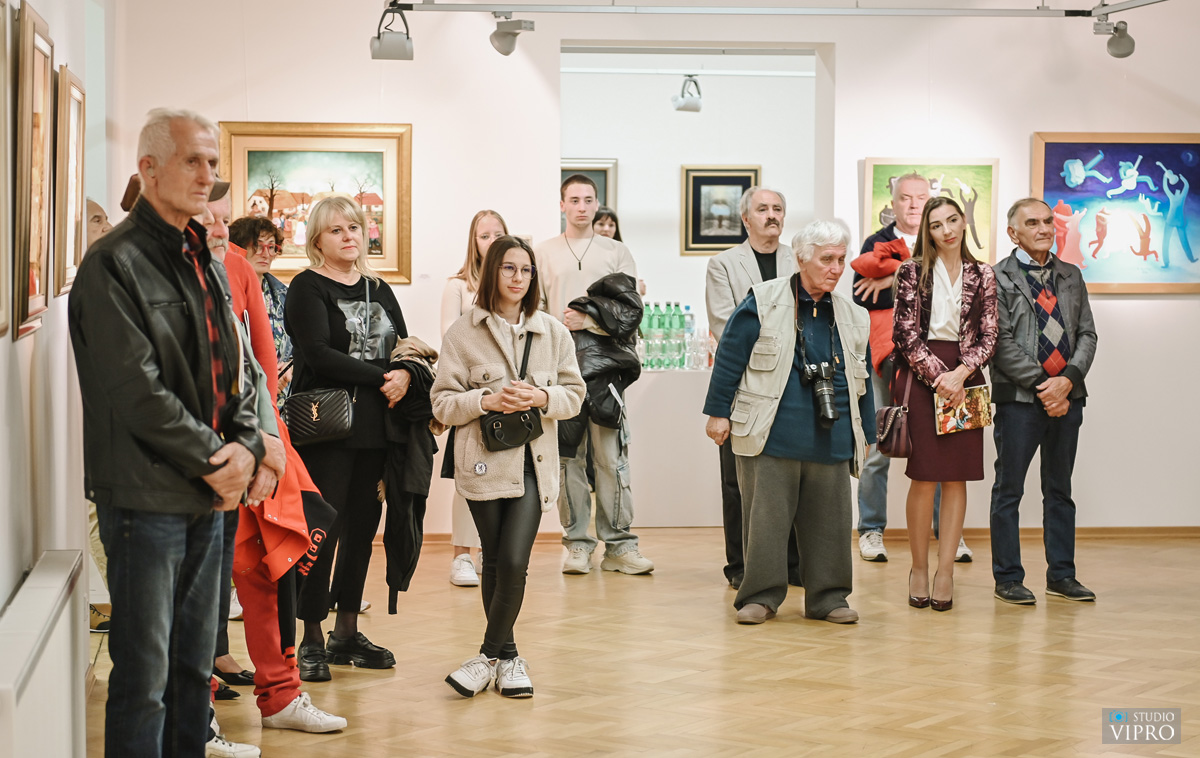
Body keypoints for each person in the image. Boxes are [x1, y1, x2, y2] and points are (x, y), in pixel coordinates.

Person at [68, 108, 265, 757]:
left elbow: (232, 366)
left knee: (191, 672)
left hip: (210, 495)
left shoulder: (200, 255)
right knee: (144, 679)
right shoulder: (112, 263)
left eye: (213, 162)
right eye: (193, 161)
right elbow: (136, 390)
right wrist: (220, 459)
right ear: (149, 169)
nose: (208, 175)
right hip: (145, 498)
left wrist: (247, 446)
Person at [198, 185, 347, 735]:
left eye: (223, 219)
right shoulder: (158, 270)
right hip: (195, 451)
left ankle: (281, 693)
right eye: (208, 219)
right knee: (201, 579)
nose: (220, 230)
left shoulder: (237, 268)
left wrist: (267, 442)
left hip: (253, 438)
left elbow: (259, 361)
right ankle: (198, 705)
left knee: (269, 564)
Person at [432, 235, 585, 698]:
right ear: (492, 272)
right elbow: (441, 404)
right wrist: (486, 400)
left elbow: (575, 396)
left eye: (526, 270)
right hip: (482, 463)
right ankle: (509, 658)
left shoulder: (553, 332)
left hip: (534, 464)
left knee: (515, 561)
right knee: (495, 560)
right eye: (509, 268)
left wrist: (540, 396)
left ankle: (485, 658)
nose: (519, 278)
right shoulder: (463, 333)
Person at [703, 220, 874, 626]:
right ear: (801, 258)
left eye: (841, 260)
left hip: (831, 434)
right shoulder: (763, 300)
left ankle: (828, 598)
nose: (836, 268)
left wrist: (866, 432)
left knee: (831, 524)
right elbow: (730, 356)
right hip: (773, 432)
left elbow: (862, 378)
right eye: (827, 259)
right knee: (766, 522)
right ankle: (759, 596)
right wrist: (718, 412)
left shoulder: (853, 314)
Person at [285, 195, 409, 680]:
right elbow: (317, 354)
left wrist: (405, 373)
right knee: (323, 532)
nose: (349, 236)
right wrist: (383, 376)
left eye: (354, 227)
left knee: (362, 532)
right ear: (318, 240)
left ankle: (346, 631)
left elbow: (403, 345)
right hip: (327, 429)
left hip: (377, 428)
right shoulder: (307, 286)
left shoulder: (378, 288)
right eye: (336, 230)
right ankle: (311, 636)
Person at [536, 174, 653, 575]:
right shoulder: (543, 252)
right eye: (574, 200)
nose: (582, 207)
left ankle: (620, 545)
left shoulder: (617, 251)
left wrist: (588, 321)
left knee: (610, 458)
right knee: (568, 458)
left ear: (597, 203)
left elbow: (631, 311)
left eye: (588, 199)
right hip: (558, 369)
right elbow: (535, 310)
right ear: (562, 205)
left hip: (607, 370)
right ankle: (577, 544)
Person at [852, 173, 968, 563]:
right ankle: (871, 529)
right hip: (888, 359)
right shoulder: (877, 243)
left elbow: (948, 296)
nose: (914, 204)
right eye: (906, 197)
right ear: (894, 203)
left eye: (921, 197)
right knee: (881, 443)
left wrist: (890, 278)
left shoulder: (945, 241)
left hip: (943, 363)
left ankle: (948, 533)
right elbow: (861, 297)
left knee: (940, 446)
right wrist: (903, 278)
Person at [990, 198, 1099, 605]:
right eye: (1032, 223)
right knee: (1009, 490)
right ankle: (1008, 579)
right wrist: (1045, 386)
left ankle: (1062, 576)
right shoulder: (996, 277)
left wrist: (1067, 382)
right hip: (1020, 400)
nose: (1043, 228)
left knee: (1060, 490)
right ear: (1013, 233)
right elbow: (999, 342)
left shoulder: (1071, 275)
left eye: (1048, 221)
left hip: (1069, 398)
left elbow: (1087, 334)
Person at [891, 197, 998, 612]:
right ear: (928, 231)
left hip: (967, 378)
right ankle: (918, 569)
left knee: (956, 479)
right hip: (923, 378)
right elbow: (904, 335)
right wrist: (940, 377)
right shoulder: (911, 271)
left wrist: (960, 374)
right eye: (937, 225)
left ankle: (946, 572)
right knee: (923, 477)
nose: (947, 230)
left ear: (964, 221)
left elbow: (990, 335)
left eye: (953, 220)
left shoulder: (983, 273)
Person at [703, 186, 801, 590]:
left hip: (794, 385)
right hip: (743, 385)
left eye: (777, 208)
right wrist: (778, 343)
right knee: (739, 481)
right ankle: (741, 566)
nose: (771, 215)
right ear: (746, 218)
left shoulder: (800, 258)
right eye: (762, 209)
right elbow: (726, 326)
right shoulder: (723, 264)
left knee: (791, 477)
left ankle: (791, 566)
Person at [440, 210, 509, 587]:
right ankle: (461, 556)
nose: (492, 240)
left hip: (507, 394)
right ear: (474, 242)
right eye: (485, 235)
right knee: (469, 475)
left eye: (498, 234)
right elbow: (449, 337)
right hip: (470, 394)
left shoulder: (513, 284)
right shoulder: (458, 286)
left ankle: (486, 552)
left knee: (499, 477)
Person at [231, 215, 293, 395]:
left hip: (284, 398)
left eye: (271, 247)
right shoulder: (227, 294)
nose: (266, 254)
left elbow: (299, 348)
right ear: (239, 248)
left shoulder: (284, 295)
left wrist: (288, 370)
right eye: (258, 246)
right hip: (243, 393)